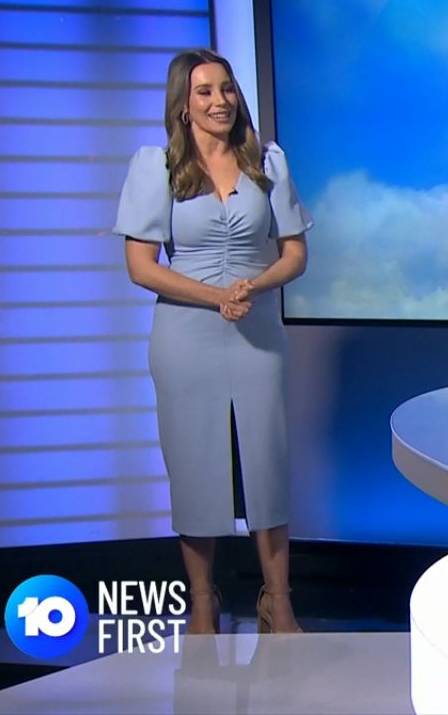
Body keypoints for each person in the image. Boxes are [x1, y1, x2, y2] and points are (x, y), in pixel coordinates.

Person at [114, 49, 312, 633]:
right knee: (195, 465)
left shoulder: (266, 163)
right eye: (204, 91)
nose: (219, 101)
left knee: (266, 464)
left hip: (257, 332)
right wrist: (214, 297)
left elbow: (295, 254)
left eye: (226, 89)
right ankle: (203, 600)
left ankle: (278, 600)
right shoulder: (156, 168)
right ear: (183, 104)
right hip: (186, 338)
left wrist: (253, 285)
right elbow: (141, 268)